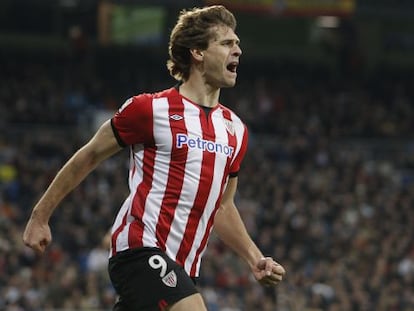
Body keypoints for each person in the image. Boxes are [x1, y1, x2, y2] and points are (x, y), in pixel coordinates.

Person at [23, 5, 285, 311]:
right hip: (139, 249)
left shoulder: (235, 130)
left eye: (237, 43)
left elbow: (223, 206)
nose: (238, 50)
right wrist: (39, 216)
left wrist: (255, 257)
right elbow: (90, 154)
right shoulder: (149, 109)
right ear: (198, 53)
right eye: (227, 43)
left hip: (184, 267)